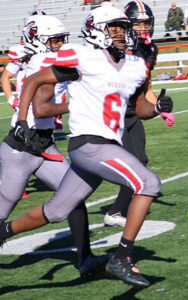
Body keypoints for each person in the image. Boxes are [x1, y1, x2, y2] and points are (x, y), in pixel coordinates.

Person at [0, 5, 173, 288]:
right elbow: (34, 80)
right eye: (114, 28)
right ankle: (122, 257)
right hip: (89, 144)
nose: (122, 34)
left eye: (123, 28)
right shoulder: (82, 56)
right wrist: (21, 118)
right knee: (148, 183)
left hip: (102, 144)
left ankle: (4, 231)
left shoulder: (135, 65)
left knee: (57, 211)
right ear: (96, 30)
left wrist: (157, 109)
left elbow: (139, 108)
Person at [0, 14, 109, 278]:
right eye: (55, 40)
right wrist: (80, 104)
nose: (60, 45)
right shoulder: (42, 60)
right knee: (6, 204)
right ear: (36, 39)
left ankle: (85, 258)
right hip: (22, 148)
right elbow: (43, 107)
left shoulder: (42, 58)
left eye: (62, 39)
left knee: (72, 196)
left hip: (44, 145)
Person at [104, 0, 175, 227]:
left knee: (140, 160)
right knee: (130, 163)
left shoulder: (149, 49)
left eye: (146, 24)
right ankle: (112, 211)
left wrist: (158, 109)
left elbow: (147, 87)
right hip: (114, 112)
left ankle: (115, 211)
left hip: (133, 111)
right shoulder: (116, 48)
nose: (144, 28)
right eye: (138, 24)